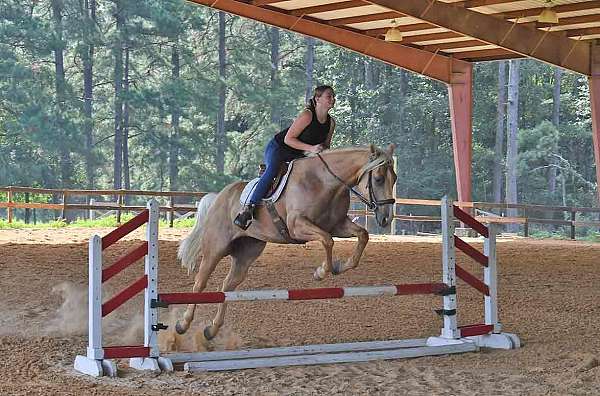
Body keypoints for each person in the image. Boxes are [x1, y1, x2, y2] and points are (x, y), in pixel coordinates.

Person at [234, 85, 337, 230]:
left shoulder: (331, 123)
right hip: (279, 148)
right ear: (317, 99)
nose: (333, 99)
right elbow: (288, 139)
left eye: (333, 96)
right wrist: (312, 149)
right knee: (272, 171)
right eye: (329, 96)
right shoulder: (307, 115)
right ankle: (248, 209)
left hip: (300, 154)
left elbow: (326, 146)